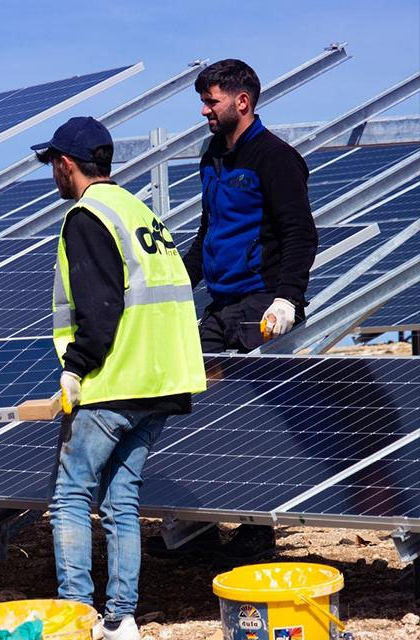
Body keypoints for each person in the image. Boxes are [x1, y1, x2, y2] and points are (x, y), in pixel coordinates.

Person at [35, 117, 206, 640]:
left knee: (70, 495)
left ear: (67, 165)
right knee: (121, 499)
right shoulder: (138, 211)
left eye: (54, 166)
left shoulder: (86, 217)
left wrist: (75, 368)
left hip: (115, 380)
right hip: (164, 381)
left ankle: (76, 615)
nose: (54, 177)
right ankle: (121, 619)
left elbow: (100, 306)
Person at [181, 58, 317, 564]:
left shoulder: (275, 158)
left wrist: (289, 299)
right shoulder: (212, 156)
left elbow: (302, 233)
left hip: (262, 304)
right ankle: (198, 525)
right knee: (192, 399)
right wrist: (175, 286)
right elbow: (207, 233)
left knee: (251, 418)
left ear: (242, 101)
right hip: (221, 303)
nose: (204, 111)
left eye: (211, 101)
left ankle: (258, 529)